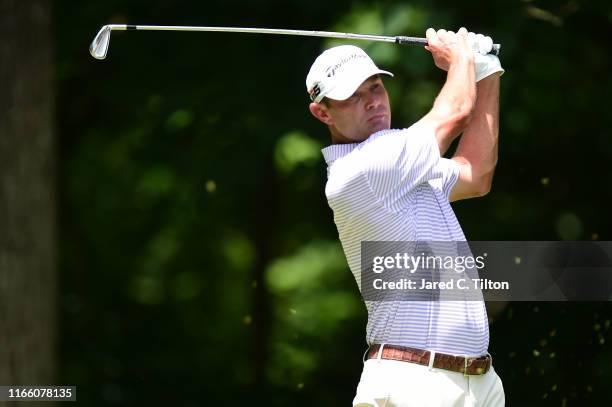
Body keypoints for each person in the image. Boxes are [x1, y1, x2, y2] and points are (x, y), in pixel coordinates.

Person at [306, 27, 505, 406]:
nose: (372, 102)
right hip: (413, 382)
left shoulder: (403, 165)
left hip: (477, 382)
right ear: (322, 112)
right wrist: (461, 57)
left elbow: (476, 174)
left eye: (376, 88)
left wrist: (486, 71)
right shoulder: (362, 171)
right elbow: (457, 111)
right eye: (352, 98)